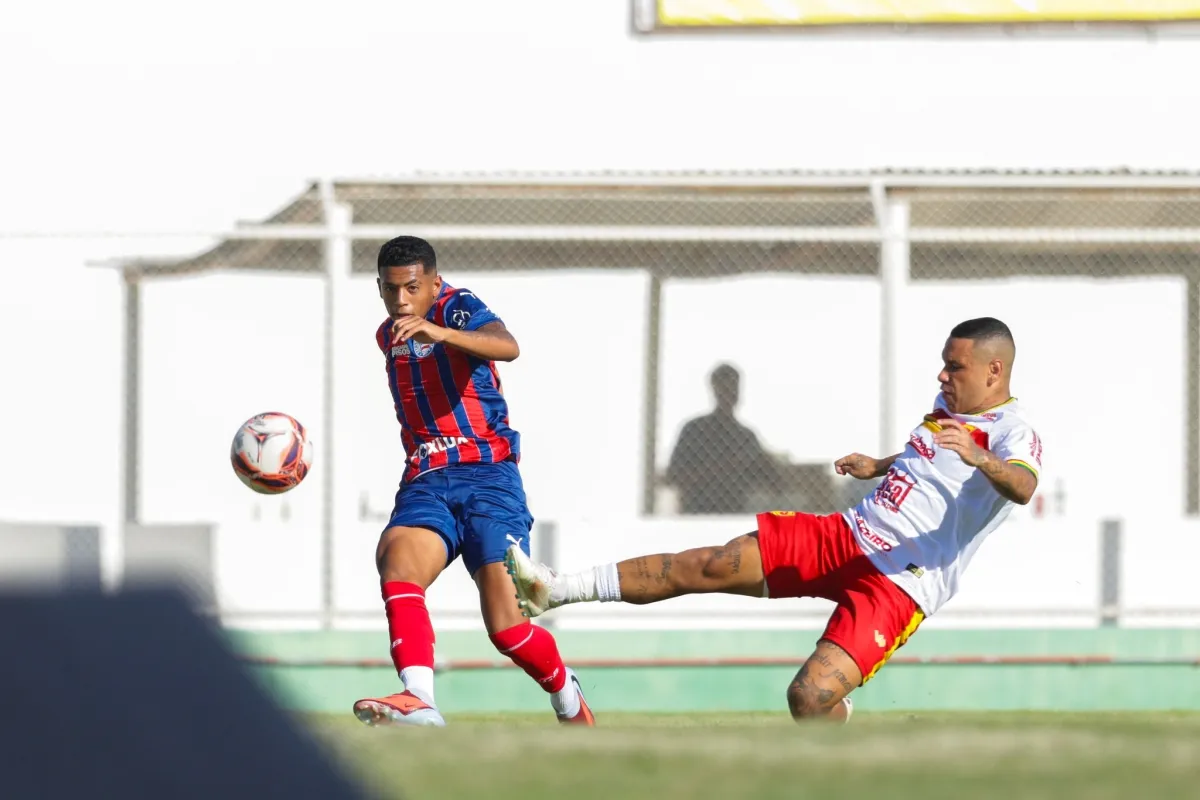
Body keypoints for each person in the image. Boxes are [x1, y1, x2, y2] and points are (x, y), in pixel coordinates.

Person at [507, 317, 1041, 722]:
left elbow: (1022, 485)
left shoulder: (1013, 432)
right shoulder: (945, 405)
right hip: (847, 534)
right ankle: (556, 589)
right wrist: (878, 465)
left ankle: (840, 732)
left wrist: (982, 459)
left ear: (995, 370)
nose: (943, 375)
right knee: (711, 564)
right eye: (944, 364)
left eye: (956, 367)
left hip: (901, 581)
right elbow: (930, 462)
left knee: (807, 700)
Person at [353, 236, 594, 727]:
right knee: (396, 556)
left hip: (489, 477)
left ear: (434, 283)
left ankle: (567, 693)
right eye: (391, 289)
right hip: (427, 477)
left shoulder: (457, 306)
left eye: (413, 288)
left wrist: (440, 333)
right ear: (380, 288)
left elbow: (507, 346)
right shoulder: (387, 337)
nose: (402, 300)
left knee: (507, 630)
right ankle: (419, 698)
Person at [664, 363, 781, 514]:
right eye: (724, 388)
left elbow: (771, 479)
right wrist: (722, 468)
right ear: (714, 390)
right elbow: (673, 477)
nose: (729, 393)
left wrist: (768, 464)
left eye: (733, 387)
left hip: (734, 512)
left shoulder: (745, 436)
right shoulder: (695, 430)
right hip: (697, 510)